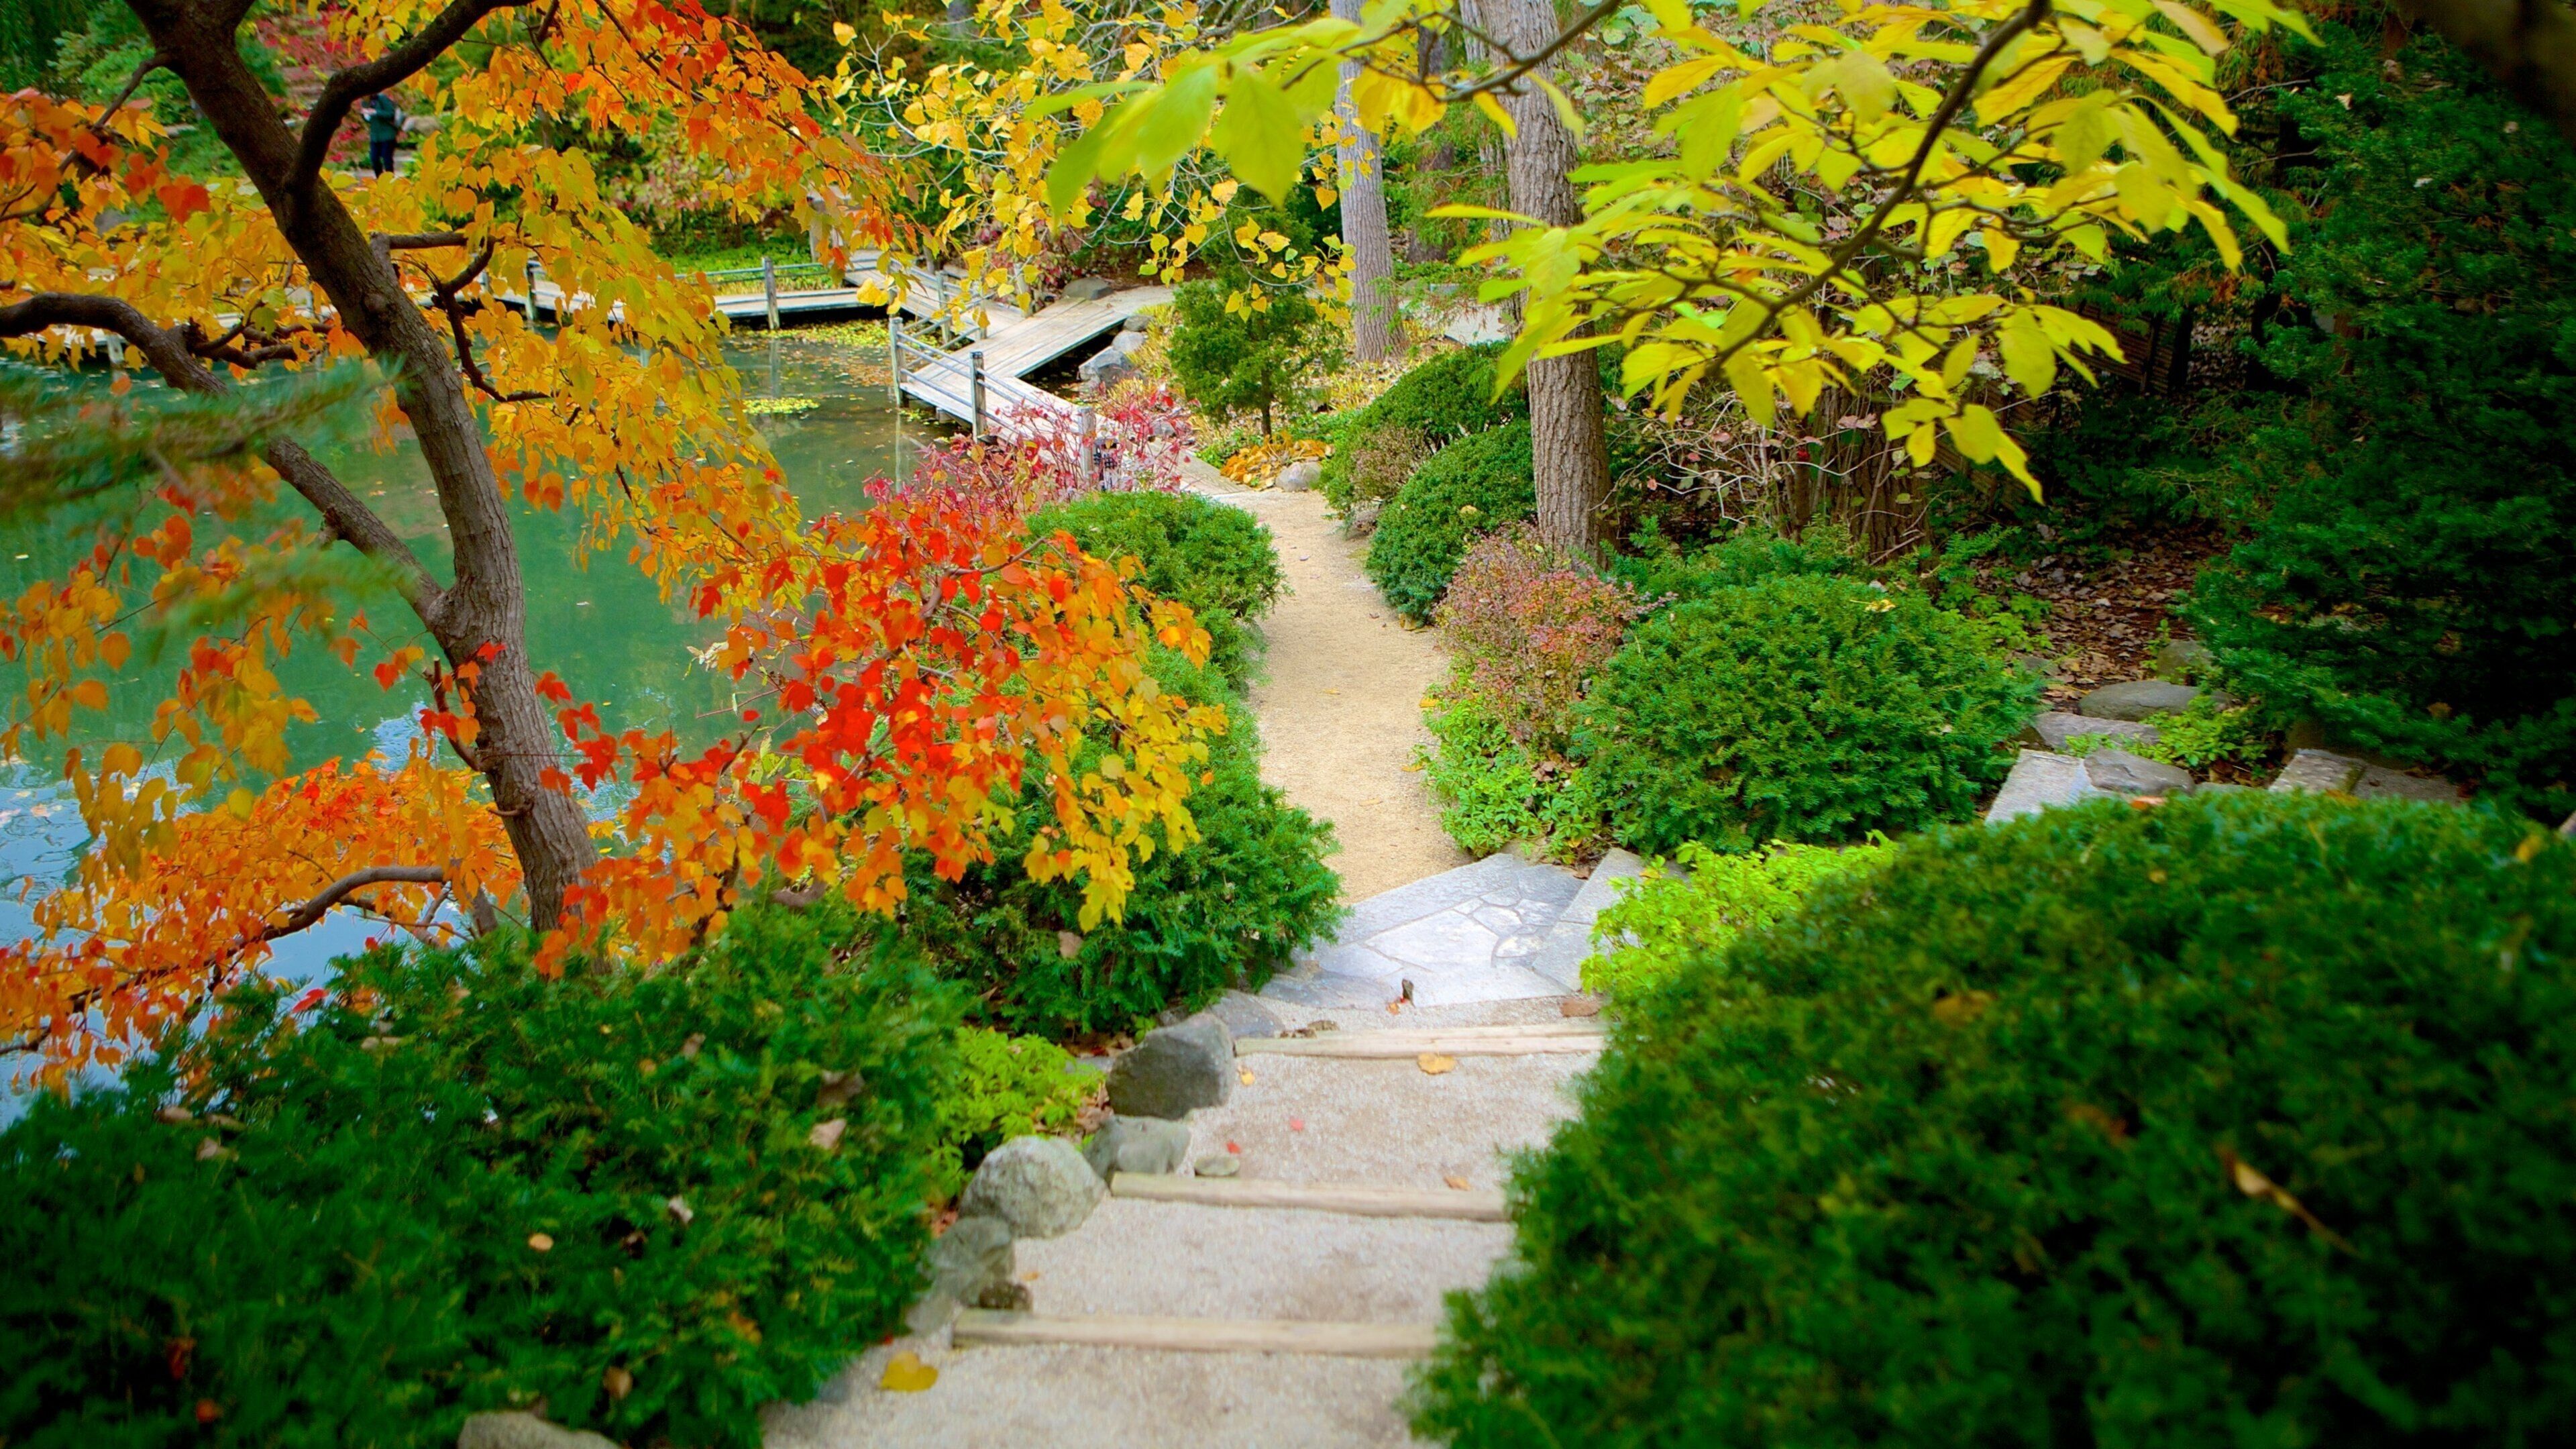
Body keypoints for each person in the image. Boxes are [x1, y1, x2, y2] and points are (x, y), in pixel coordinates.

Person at [362, 93, 400, 177]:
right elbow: (369, 119)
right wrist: (366, 116)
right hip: (375, 136)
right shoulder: (365, 102)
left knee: (387, 160)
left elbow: (390, 114)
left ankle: (390, 181)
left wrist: (376, 112)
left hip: (387, 135)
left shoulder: (382, 98)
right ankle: (380, 180)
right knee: (374, 159)